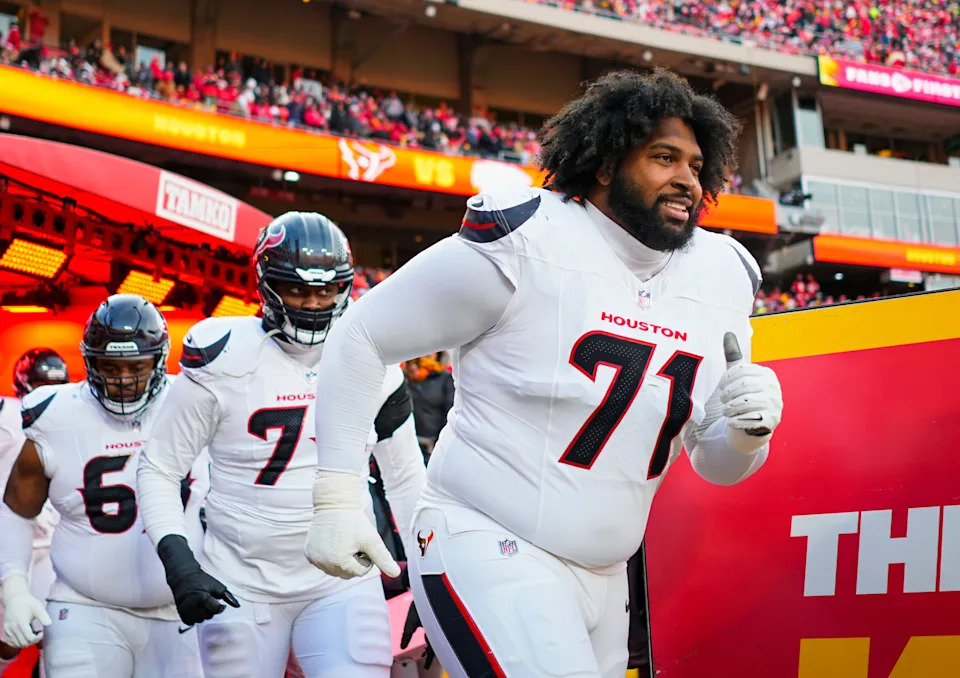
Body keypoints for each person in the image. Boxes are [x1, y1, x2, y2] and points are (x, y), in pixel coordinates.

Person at [303, 69, 784, 677]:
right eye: (664, 157)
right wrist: (337, 495)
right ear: (606, 164)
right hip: (486, 539)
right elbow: (362, 333)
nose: (686, 179)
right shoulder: (530, 236)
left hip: (609, 576)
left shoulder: (721, 274)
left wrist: (743, 433)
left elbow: (713, 462)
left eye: (695, 164)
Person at [137, 211, 426, 677]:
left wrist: (426, 567)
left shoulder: (372, 355)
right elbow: (159, 468)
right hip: (240, 579)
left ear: (345, 286)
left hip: (342, 579)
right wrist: (179, 561)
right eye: (297, 289)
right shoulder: (222, 358)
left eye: (326, 290)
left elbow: (406, 475)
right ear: (266, 286)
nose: (313, 303)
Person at [0, 294, 208, 677]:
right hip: (84, 606)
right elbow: (16, 508)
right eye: (109, 367)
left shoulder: (195, 402)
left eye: (136, 366)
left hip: (180, 608)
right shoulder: (56, 414)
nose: (123, 379)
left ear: (160, 360)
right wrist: (12, 587)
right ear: (89, 362)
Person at [0, 348, 69, 671]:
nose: (48, 394)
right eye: (41, 385)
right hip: (10, 542)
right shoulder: (9, 414)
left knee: (57, 639)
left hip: (53, 545)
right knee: (7, 643)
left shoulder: (74, 416)